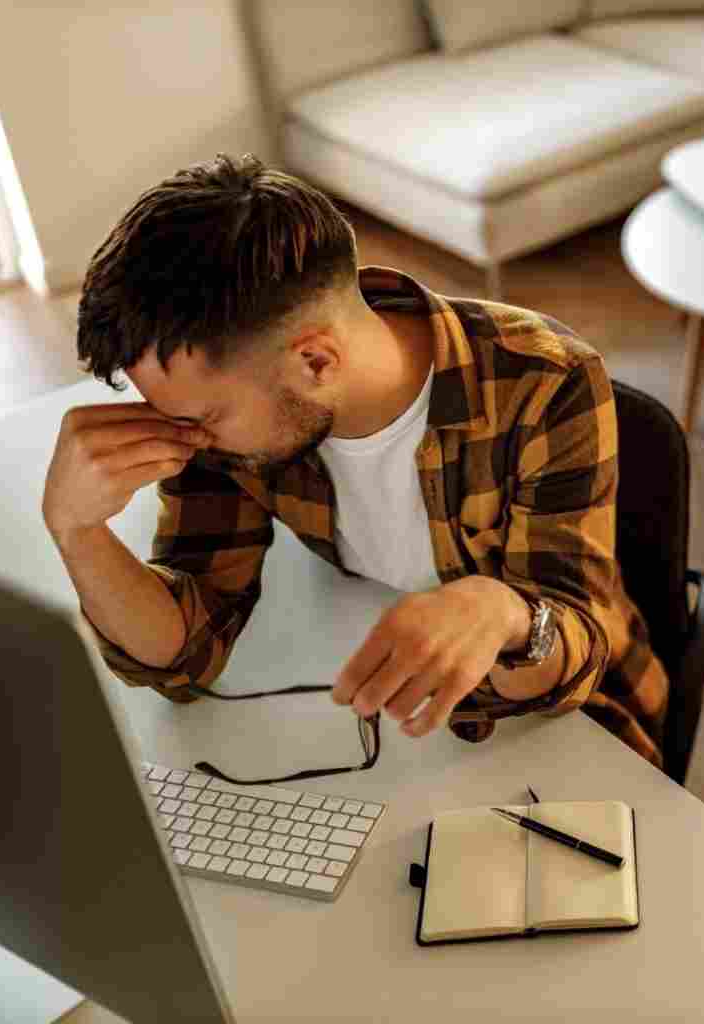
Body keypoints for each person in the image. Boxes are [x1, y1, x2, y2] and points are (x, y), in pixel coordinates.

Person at [42, 153, 669, 766]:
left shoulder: (544, 379)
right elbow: (186, 652)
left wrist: (505, 614)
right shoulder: (242, 414)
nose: (188, 441)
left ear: (315, 362)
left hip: (569, 734)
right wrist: (77, 531)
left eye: (203, 419)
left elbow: (578, 657)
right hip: (402, 733)